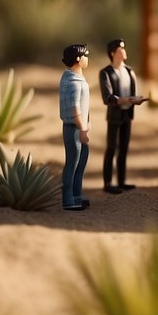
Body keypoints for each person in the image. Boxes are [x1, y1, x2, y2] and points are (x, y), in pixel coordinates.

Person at [98, 38, 146, 194]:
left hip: (127, 113)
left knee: (124, 148)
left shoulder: (129, 71)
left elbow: (133, 91)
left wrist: (134, 99)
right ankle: (108, 182)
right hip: (115, 115)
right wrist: (129, 100)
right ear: (113, 53)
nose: (124, 52)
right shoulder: (106, 73)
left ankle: (121, 180)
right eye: (120, 49)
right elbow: (108, 97)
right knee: (112, 147)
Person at [59, 43, 91, 211]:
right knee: (72, 162)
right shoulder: (73, 82)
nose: (87, 58)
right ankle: (68, 199)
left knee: (81, 161)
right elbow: (75, 109)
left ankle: (77, 194)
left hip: (80, 127)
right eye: (85, 55)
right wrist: (83, 129)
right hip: (74, 128)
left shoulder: (76, 79)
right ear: (78, 59)